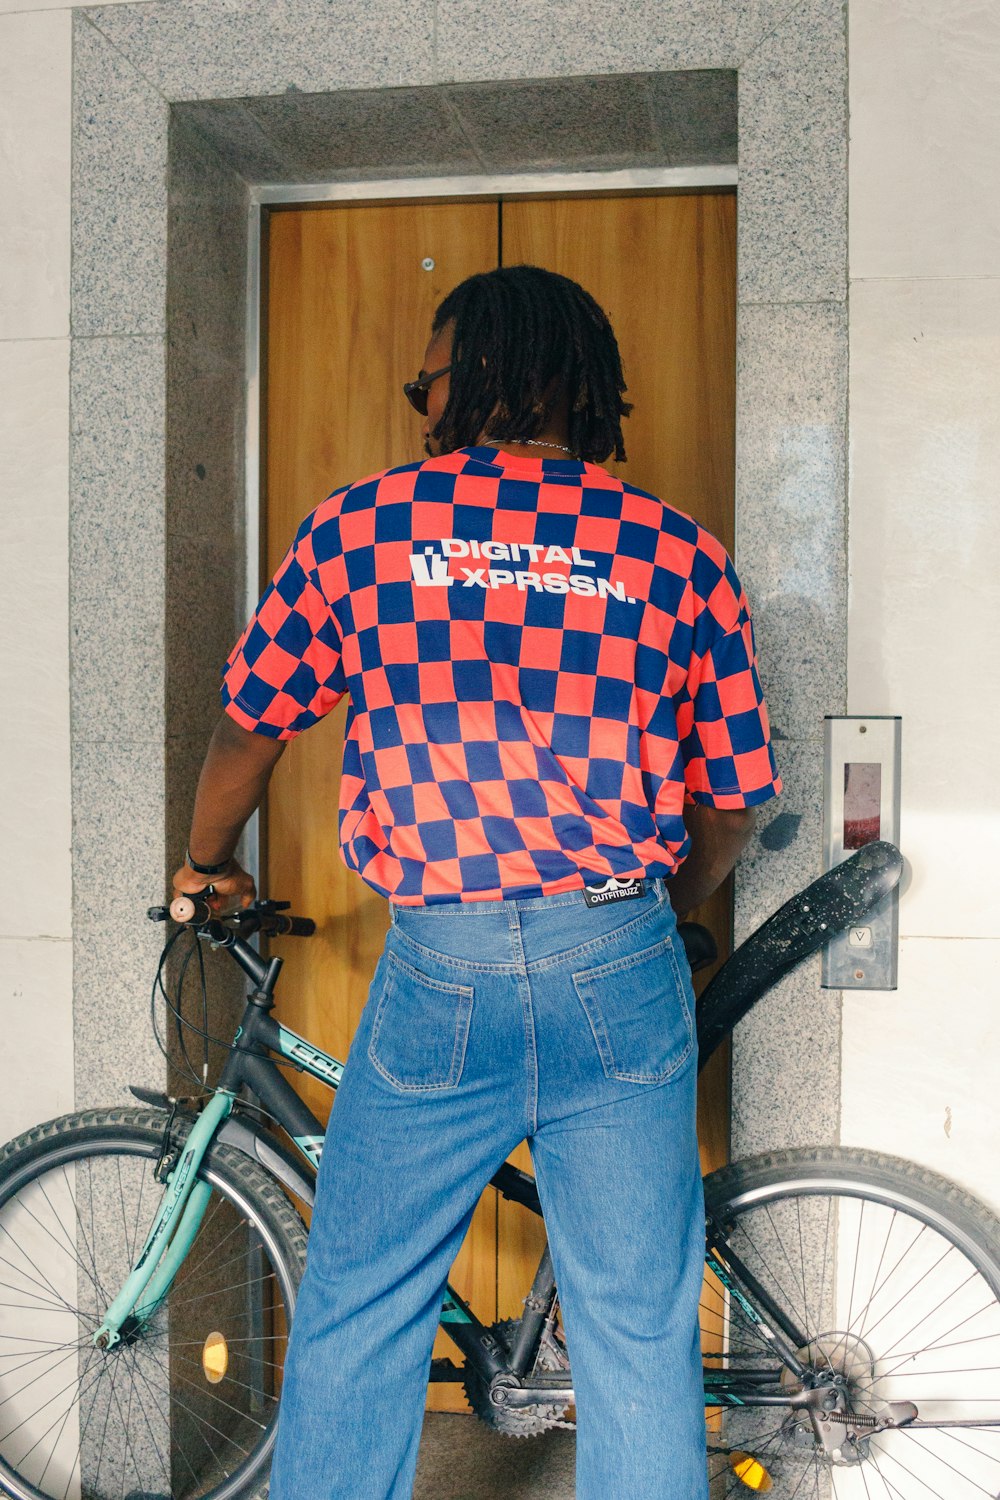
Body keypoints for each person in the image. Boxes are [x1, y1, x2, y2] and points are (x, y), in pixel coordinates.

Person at [173, 265, 781, 1499]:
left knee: (362, 1301)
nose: (419, 404)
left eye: (429, 378)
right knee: (634, 1323)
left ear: (485, 377)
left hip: (442, 963)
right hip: (617, 953)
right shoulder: (677, 550)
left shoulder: (362, 528)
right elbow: (733, 795)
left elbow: (250, 725)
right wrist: (665, 916)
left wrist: (203, 865)